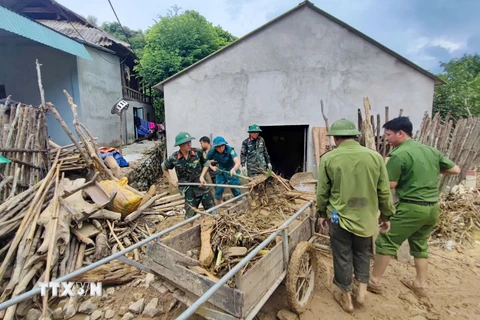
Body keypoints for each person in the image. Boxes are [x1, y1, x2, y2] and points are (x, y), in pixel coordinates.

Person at [369, 117, 461, 298]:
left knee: (386, 241)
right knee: (419, 244)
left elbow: (390, 184)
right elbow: (456, 170)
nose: (386, 138)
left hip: (412, 207)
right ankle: (420, 284)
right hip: (432, 207)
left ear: (400, 133)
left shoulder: (398, 155)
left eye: (388, 135)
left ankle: (374, 281)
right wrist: (430, 172)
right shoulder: (430, 150)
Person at [316, 119, 395, 313]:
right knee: (362, 253)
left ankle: (346, 298)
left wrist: (322, 213)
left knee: (342, 254)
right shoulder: (375, 157)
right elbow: (384, 191)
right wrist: (385, 216)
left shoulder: (329, 158)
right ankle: (361, 292)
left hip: (339, 217)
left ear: (335, 138)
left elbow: (322, 192)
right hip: (366, 218)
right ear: (355, 136)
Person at [161, 132, 215, 219]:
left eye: (190, 141)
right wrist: (171, 181)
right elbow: (164, 167)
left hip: (202, 186)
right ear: (180, 145)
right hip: (188, 189)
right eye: (186, 143)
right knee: (189, 216)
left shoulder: (198, 152)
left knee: (212, 212)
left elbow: (206, 163)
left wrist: (202, 176)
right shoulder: (174, 158)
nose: (189, 144)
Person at [202, 136, 242, 205]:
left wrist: (233, 169)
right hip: (221, 171)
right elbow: (205, 160)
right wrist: (211, 167)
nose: (221, 148)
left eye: (222, 146)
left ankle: (240, 205)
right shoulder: (212, 151)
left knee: (235, 189)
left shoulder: (230, 150)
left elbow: (237, 162)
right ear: (215, 147)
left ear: (224, 145)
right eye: (218, 146)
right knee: (218, 189)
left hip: (231, 171)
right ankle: (218, 207)